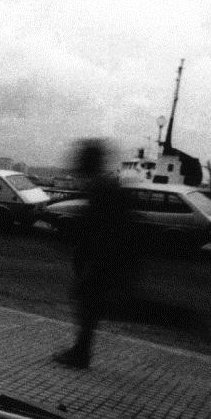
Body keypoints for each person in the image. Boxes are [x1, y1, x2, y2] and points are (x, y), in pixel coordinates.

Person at [53, 139, 138, 368]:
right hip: (105, 262)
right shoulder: (106, 186)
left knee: (91, 306)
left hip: (102, 263)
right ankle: (81, 352)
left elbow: (101, 232)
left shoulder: (101, 189)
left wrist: (89, 262)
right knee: (91, 307)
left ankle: (81, 354)